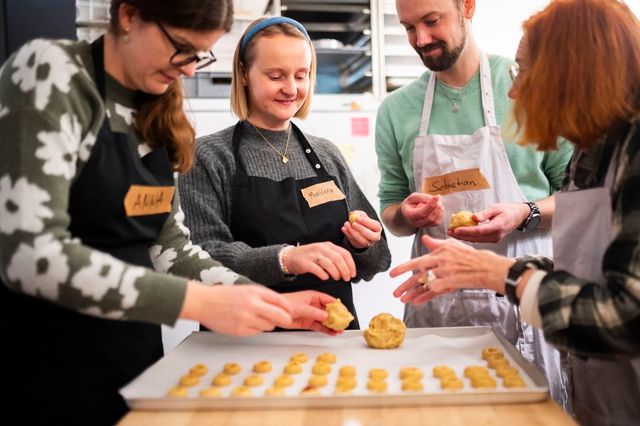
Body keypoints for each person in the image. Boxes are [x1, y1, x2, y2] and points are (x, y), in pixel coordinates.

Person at [0, 1, 340, 424]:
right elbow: (30, 255)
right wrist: (199, 302)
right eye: (181, 48)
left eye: (200, 55)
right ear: (129, 16)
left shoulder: (157, 104)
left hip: (134, 358)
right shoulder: (53, 74)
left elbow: (170, 247)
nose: (191, 71)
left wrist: (266, 303)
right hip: (49, 361)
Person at [390, 0, 640, 424]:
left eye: (524, 72)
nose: (514, 90)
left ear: (573, 72)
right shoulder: (592, 152)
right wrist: (488, 268)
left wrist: (501, 275)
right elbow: (586, 269)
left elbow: (626, 316)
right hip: (601, 395)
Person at [375, 0, 573, 408]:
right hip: (440, 304)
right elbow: (391, 211)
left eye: (432, 21)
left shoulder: (526, 86)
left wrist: (525, 213)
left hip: (524, 291)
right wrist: (406, 216)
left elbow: (577, 198)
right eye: (409, 28)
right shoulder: (396, 111)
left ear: (467, 7)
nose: (421, 39)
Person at [179, 17, 391, 330]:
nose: (291, 89)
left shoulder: (327, 154)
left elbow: (378, 260)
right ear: (244, 74)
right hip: (244, 342)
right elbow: (203, 260)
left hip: (331, 337)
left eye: (301, 76)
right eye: (276, 75)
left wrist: (363, 245)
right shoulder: (208, 157)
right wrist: (285, 259)